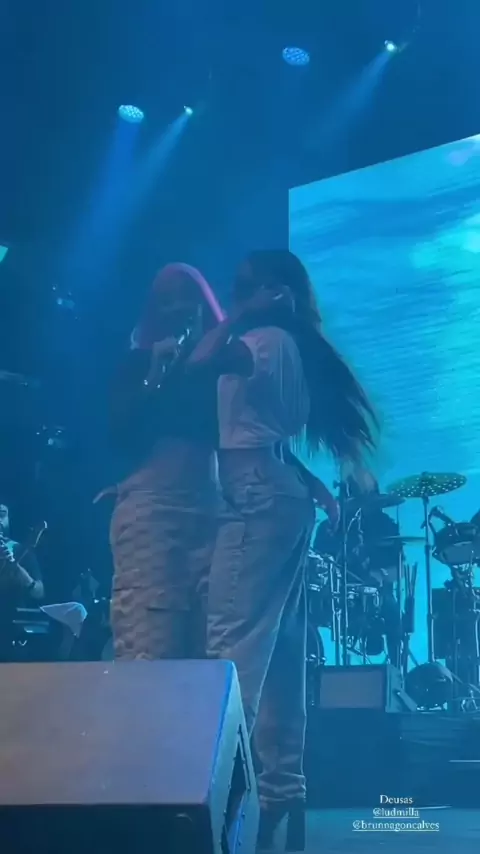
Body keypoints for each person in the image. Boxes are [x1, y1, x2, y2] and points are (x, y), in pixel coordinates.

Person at [188, 250, 377, 851]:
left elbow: (198, 362)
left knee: (233, 645)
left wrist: (240, 315)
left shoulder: (263, 340)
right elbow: (266, 428)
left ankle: (219, 803)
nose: (235, 291)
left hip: (253, 494)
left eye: (246, 285)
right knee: (283, 654)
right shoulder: (283, 344)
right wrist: (311, 481)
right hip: (275, 489)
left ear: (272, 292)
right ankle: (283, 795)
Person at [107, 263, 231, 661]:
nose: (178, 307)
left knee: (208, 655)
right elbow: (119, 435)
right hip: (156, 515)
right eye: (166, 300)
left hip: (212, 514)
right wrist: (154, 375)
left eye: (187, 297)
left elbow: (249, 432)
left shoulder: (221, 368)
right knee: (149, 649)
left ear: (204, 303)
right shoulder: (138, 365)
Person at [314, 477, 402, 665]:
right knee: (306, 611)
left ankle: (397, 670)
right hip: (337, 593)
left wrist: (379, 576)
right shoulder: (329, 527)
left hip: (379, 592)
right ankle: (314, 667)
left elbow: (398, 569)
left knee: (393, 613)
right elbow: (317, 564)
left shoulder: (386, 524)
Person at [0, 502, 44, 659]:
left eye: (2, 514)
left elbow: (39, 592)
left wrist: (15, 566)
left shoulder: (21, 550)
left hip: (15, 628)